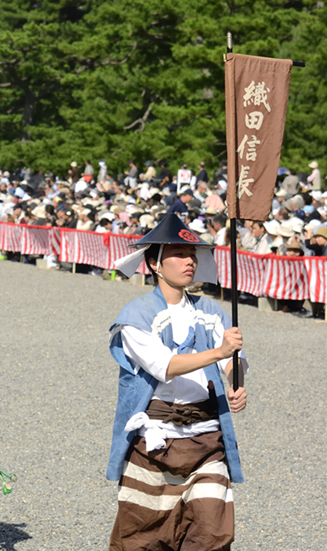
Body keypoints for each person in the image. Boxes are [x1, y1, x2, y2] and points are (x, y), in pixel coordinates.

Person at [109, 214, 249, 551]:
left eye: (192, 254)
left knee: (210, 533)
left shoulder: (211, 310)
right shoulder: (135, 316)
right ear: (155, 264)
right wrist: (220, 352)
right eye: (178, 253)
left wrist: (234, 382)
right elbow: (165, 366)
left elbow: (234, 359)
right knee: (144, 537)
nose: (189, 261)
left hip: (206, 439)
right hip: (154, 442)